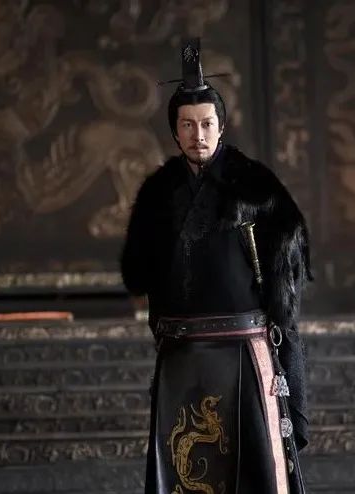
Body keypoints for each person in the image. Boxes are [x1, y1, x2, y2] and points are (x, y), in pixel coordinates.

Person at [120, 38, 311, 494]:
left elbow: (285, 282)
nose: (198, 135)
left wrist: (288, 360)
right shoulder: (158, 193)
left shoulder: (257, 188)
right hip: (181, 355)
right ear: (175, 132)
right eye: (187, 125)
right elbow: (140, 275)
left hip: (243, 349)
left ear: (221, 127)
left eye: (206, 123)